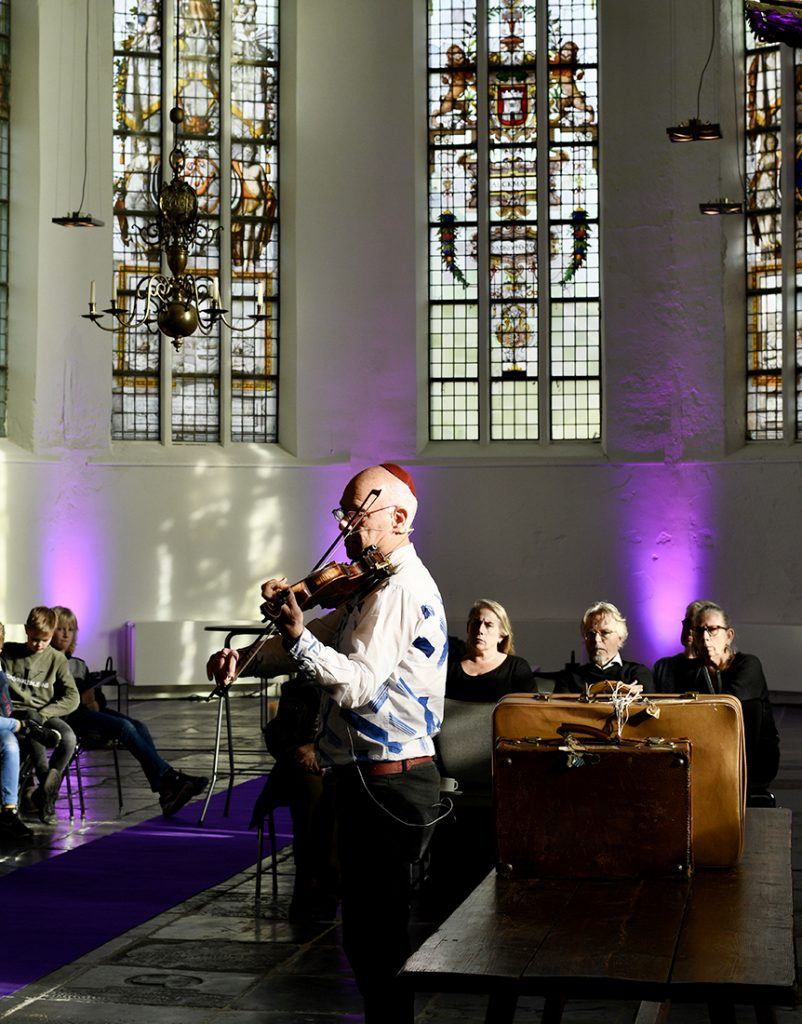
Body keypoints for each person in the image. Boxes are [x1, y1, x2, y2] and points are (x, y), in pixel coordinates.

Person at [207, 463, 448, 1024]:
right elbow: (317, 639)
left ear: (400, 516)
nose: (345, 529)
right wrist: (244, 658)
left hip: (392, 784)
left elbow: (359, 685)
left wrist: (293, 634)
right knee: (363, 932)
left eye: (357, 513)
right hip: (361, 778)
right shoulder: (371, 583)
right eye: (342, 514)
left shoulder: (402, 589)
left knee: (377, 935)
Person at [50, 607, 208, 817]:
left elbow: (94, 698)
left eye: (70, 629)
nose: (66, 634)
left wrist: (95, 703)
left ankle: (166, 790)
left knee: (139, 726)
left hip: (88, 711)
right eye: (60, 629)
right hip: (70, 716)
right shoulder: (49, 662)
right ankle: (169, 780)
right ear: (50, 631)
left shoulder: (79, 665)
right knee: (124, 727)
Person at [687, 601, 780, 803]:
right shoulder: (693, 672)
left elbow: (726, 706)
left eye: (712, 630)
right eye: (699, 630)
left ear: (729, 636)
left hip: (751, 759)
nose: (705, 637)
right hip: (709, 756)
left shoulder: (748, 664)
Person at [2, 607, 79, 822]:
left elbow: (73, 697)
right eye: (35, 639)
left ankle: (43, 790)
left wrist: (46, 713)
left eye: (45, 640)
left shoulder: (58, 659)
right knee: (32, 723)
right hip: (16, 713)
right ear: (27, 630)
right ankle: (47, 797)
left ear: (52, 633)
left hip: (43, 714)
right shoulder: (8, 653)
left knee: (69, 738)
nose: (39, 645)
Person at [0, 622, 60, 843]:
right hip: (7, 723)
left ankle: (8, 811)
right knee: (22, 729)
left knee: (11, 744)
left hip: (4, 723)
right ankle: (27, 730)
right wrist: (18, 725)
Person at [554, 601, 654, 693]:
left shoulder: (637, 673)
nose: (596, 640)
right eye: (591, 634)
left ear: (620, 638)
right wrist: (620, 690)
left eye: (605, 633)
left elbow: (647, 709)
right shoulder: (569, 678)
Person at [446, 599, 532, 701]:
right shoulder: (450, 667)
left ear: (501, 635)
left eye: (489, 625)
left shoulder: (516, 668)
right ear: (468, 628)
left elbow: (530, 711)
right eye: (476, 623)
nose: (480, 630)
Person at [653, 599, 707, 692]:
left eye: (696, 626)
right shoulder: (662, 667)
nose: (690, 630)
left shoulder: (710, 670)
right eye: (688, 623)